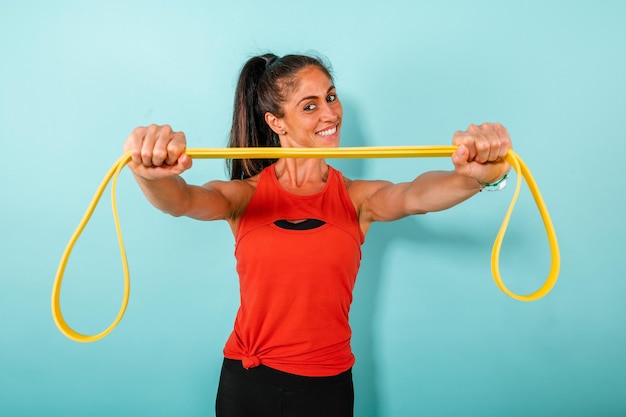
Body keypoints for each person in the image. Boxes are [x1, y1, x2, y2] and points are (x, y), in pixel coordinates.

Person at [123, 53, 511, 417]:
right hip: (247, 383)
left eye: (331, 97)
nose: (330, 114)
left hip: (326, 386)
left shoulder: (358, 198)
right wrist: (147, 172)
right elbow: (181, 199)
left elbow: (416, 195)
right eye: (310, 106)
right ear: (277, 122)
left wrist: (477, 177)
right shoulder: (245, 196)